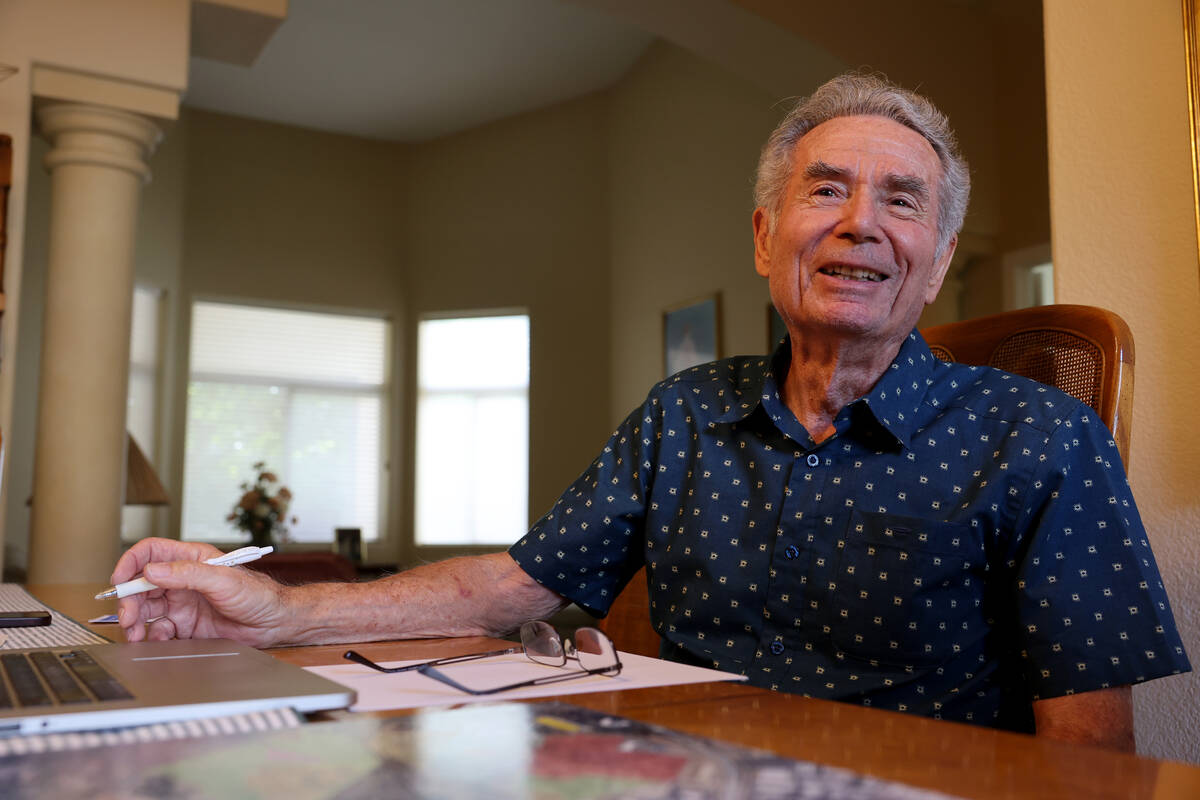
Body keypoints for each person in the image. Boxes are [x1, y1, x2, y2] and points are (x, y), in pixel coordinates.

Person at [111, 72, 1189, 750]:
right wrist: (282, 613)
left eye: (901, 200)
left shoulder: (1042, 436)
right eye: (826, 189)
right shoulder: (683, 413)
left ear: (941, 256)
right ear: (767, 236)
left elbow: (1087, 758)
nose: (861, 223)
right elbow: (513, 584)